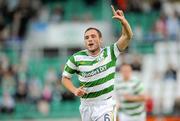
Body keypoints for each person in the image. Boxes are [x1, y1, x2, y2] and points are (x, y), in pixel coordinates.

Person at [61, 5, 133, 121]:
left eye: (93, 36)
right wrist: (74, 90)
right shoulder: (76, 58)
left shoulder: (110, 52)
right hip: (86, 106)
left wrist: (123, 22)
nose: (90, 39)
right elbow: (65, 78)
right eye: (87, 37)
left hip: (105, 105)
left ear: (101, 40)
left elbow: (127, 36)